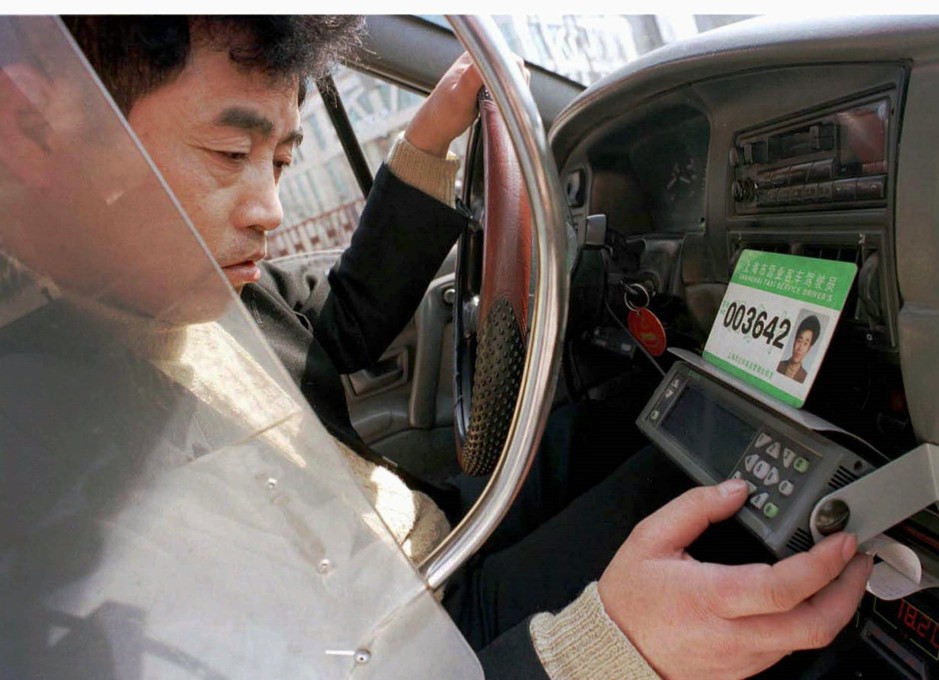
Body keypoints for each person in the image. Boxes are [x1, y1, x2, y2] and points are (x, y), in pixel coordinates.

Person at [2, 16, 872, 680]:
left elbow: (335, 330)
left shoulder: (181, 283)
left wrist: (431, 139)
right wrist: (599, 649)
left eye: (282, 159)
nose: (268, 206)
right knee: (753, 527)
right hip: (429, 633)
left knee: (641, 428)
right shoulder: (41, 491)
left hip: (437, 544)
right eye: (230, 152)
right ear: (31, 124)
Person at [777, 315, 822, 384]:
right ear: (794, 341)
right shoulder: (779, 365)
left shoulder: (805, 378)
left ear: (808, 349)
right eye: (799, 341)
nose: (800, 348)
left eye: (805, 344)